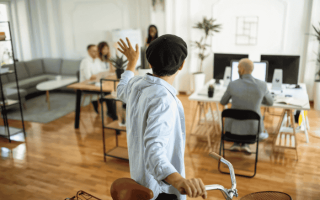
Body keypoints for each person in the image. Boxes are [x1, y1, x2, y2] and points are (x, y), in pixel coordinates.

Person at [116, 36, 207, 200]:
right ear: (182, 65)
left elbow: (121, 89)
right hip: (161, 189)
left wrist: (132, 62)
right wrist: (178, 180)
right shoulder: (163, 100)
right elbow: (154, 151)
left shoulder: (137, 84)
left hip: (140, 177)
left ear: (150, 63)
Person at [220, 58, 274, 153]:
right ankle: (245, 144)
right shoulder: (262, 85)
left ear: (242, 69)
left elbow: (223, 102)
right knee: (250, 119)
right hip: (253, 131)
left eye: (238, 68)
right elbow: (270, 102)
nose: (237, 70)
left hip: (232, 131)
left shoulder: (232, 84)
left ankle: (237, 143)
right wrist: (259, 99)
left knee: (239, 119)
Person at [79, 44, 117, 120]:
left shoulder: (96, 60)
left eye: (96, 51)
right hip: (86, 85)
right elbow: (89, 77)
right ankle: (112, 113)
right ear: (88, 51)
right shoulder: (86, 61)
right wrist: (99, 75)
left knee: (112, 87)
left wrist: (102, 74)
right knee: (108, 91)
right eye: (93, 51)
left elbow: (101, 72)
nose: (96, 53)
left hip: (95, 82)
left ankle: (111, 111)